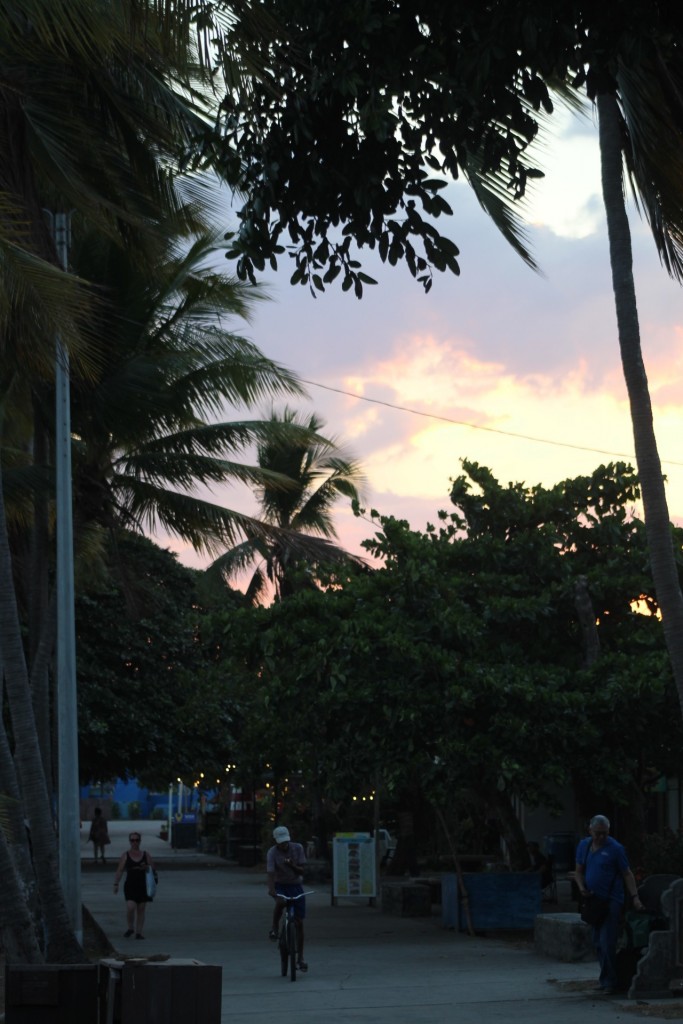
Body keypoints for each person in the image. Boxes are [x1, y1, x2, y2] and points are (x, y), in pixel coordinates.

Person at [574, 814, 644, 995]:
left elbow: (627, 873)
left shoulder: (615, 849)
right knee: (597, 941)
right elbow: (579, 871)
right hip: (592, 901)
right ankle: (605, 978)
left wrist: (634, 897)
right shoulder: (584, 846)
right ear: (590, 831)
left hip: (611, 900)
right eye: (597, 833)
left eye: (604, 833)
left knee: (607, 941)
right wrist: (582, 888)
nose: (601, 837)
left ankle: (611, 982)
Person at [266, 825, 308, 972]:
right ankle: (275, 927)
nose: (283, 845)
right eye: (281, 842)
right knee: (281, 902)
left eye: (285, 842)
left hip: (295, 885)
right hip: (280, 885)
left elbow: (302, 870)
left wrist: (292, 865)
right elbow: (271, 873)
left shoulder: (297, 848)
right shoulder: (272, 852)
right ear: (276, 841)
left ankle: (300, 958)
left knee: (299, 922)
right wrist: (272, 890)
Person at [113, 831, 157, 940]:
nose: (134, 842)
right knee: (130, 907)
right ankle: (130, 927)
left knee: (141, 909)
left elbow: (153, 869)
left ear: (140, 841)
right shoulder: (126, 855)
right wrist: (116, 883)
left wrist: (146, 867)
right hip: (130, 885)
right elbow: (120, 870)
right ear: (129, 842)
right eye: (132, 840)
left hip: (143, 885)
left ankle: (139, 932)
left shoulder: (146, 855)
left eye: (137, 840)